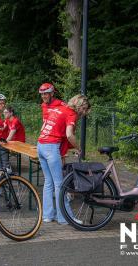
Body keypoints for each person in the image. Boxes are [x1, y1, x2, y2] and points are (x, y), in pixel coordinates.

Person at [37, 93, 91, 225]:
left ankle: (48, 215)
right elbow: (69, 135)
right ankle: (65, 218)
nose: (84, 113)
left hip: (40, 145)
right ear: (80, 106)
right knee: (60, 184)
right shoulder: (71, 114)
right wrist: (78, 148)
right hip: (51, 147)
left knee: (48, 182)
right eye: (84, 110)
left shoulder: (60, 108)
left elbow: (46, 126)